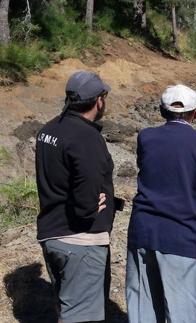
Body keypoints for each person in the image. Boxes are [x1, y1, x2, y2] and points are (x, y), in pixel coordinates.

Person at [126, 84, 196, 323]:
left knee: (144, 313)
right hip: (185, 238)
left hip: (143, 233)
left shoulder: (146, 137)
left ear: (162, 110)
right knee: (185, 315)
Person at [35, 70, 119, 322]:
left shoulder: (48, 129)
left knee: (67, 305)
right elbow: (87, 185)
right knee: (81, 316)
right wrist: (89, 206)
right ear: (99, 101)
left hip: (52, 233)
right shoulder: (86, 137)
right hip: (79, 240)